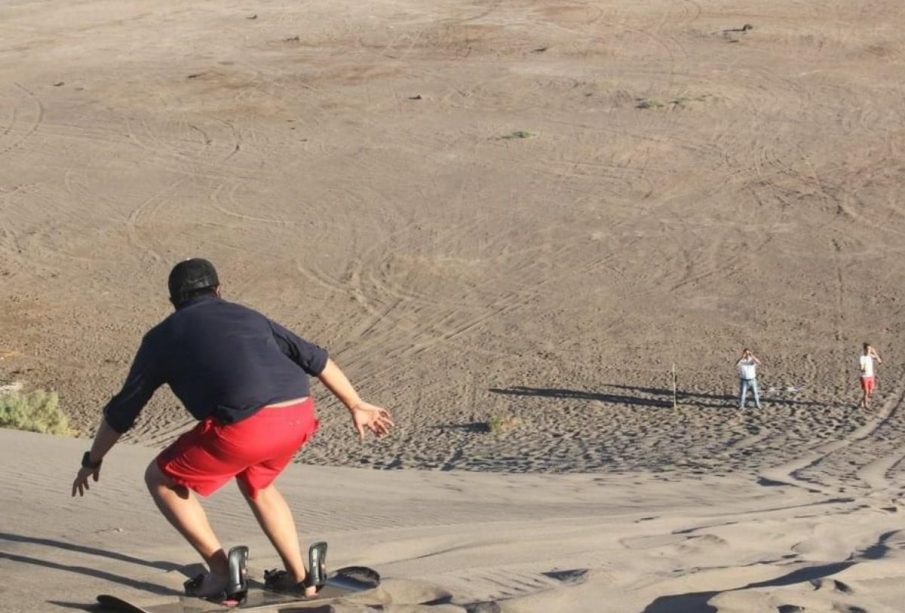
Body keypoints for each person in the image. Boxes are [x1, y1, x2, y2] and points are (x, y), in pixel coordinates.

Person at [71, 258, 393, 601]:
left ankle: (221, 572)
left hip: (247, 426)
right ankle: (301, 578)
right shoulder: (249, 316)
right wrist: (355, 404)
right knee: (260, 484)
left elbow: (123, 410)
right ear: (218, 290)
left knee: (160, 478)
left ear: (173, 301)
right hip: (298, 414)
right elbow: (317, 359)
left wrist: (93, 459)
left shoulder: (162, 336)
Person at [859, 342, 883, 409]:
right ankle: (866, 404)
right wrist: (862, 369)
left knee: (870, 391)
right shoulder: (862, 357)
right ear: (864, 349)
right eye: (867, 349)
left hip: (871, 376)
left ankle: (863, 401)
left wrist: (874, 352)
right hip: (864, 377)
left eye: (869, 349)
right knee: (866, 391)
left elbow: (880, 361)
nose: (868, 351)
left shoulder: (871, 356)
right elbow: (861, 367)